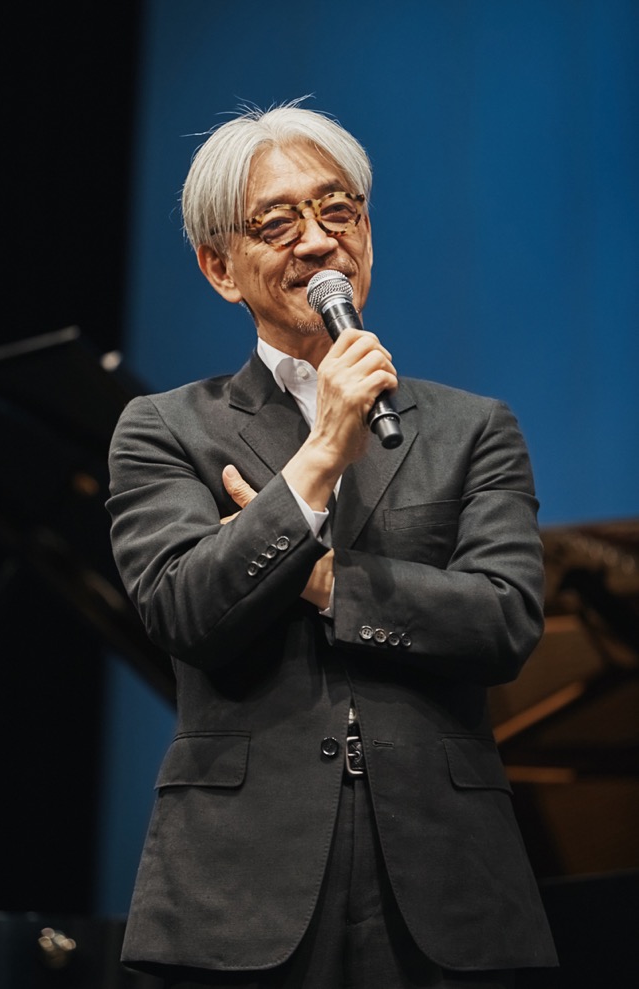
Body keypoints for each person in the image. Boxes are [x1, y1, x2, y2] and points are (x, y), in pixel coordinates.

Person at [107, 101, 557, 989]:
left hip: (447, 877)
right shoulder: (165, 428)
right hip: (240, 883)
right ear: (219, 268)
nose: (317, 241)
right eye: (278, 223)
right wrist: (319, 459)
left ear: (367, 234)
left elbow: (505, 622)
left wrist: (317, 576)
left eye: (338, 210)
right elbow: (183, 609)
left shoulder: (472, 428)